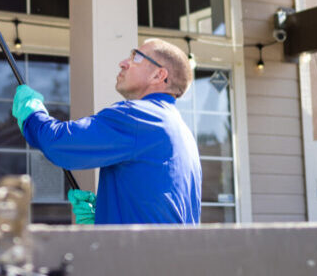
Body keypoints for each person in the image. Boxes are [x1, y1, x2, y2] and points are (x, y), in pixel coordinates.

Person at [11, 38, 201, 225]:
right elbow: (156, 202)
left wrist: (31, 114)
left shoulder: (138, 116)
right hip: (168, 253)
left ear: (158, 75)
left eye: (135, 57)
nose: (123, 63)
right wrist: (106, 213)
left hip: (141, 255)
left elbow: (57, 143)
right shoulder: (181, 130)